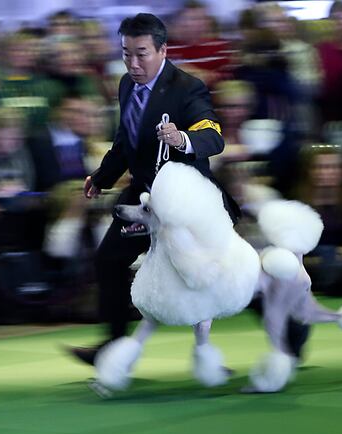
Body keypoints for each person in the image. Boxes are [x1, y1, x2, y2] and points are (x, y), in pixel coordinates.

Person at [67, 13, 233, 365]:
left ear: (163, 50)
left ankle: (288, 334)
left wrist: (182, 138)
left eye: (141, 53)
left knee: (225, 270)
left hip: (186, 200)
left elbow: (214, 137)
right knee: (109, 260)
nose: (132, 63)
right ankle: (111, 349)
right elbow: (126, 141)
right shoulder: (126, 85)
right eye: (126, 53)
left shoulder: (189, 87)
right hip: (143, 196)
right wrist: (101, 178)